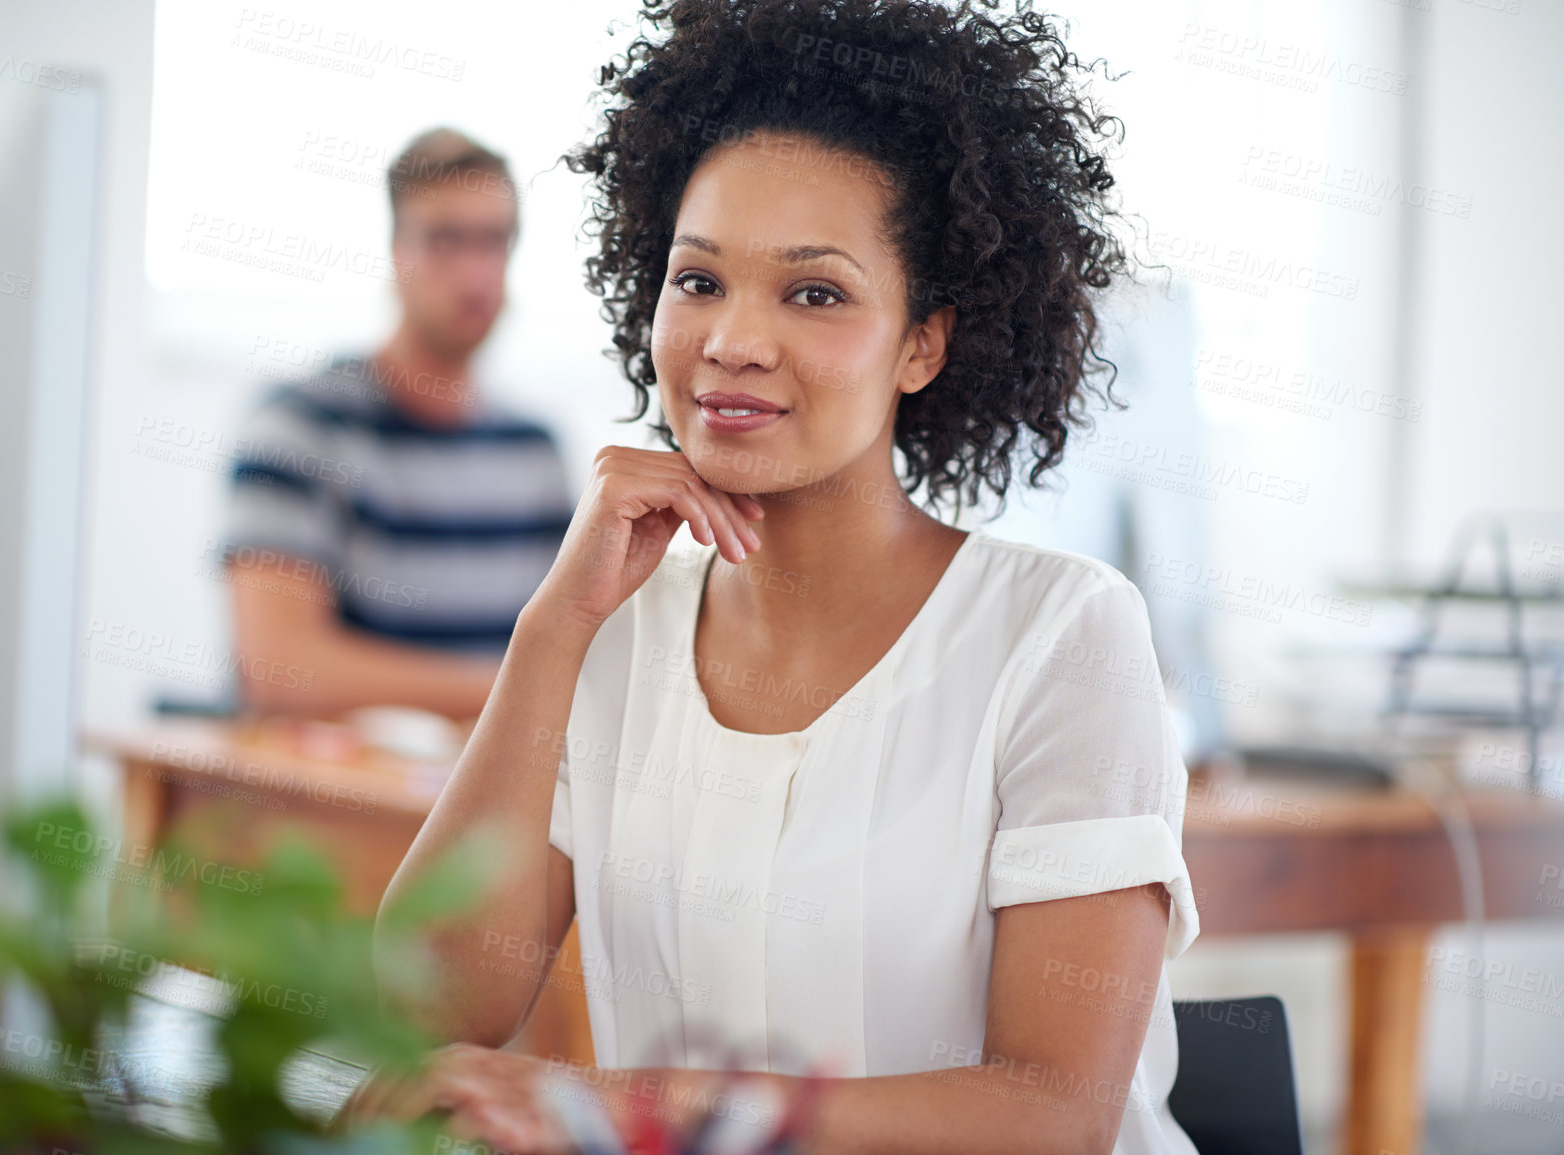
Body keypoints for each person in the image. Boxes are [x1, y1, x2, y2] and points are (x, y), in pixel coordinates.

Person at [359, 3, 1201, 1153]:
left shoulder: (1060, 636)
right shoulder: (614, 631)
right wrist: (553, 628)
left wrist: (622, 1105)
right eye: (698, 281)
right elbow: (425, 1011)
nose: (733, 340)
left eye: (815, 294)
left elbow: (1052, 1115)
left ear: (924, 343)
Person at [222, 128, 573, 722]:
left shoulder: (534, 452)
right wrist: (513, 692)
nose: (475, 272)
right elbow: (278, 670)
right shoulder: (300, 432)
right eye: (445, 240)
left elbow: (572, 649)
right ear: (395, 250)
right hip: (335, 805)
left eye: (495, 241)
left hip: (489, 801)